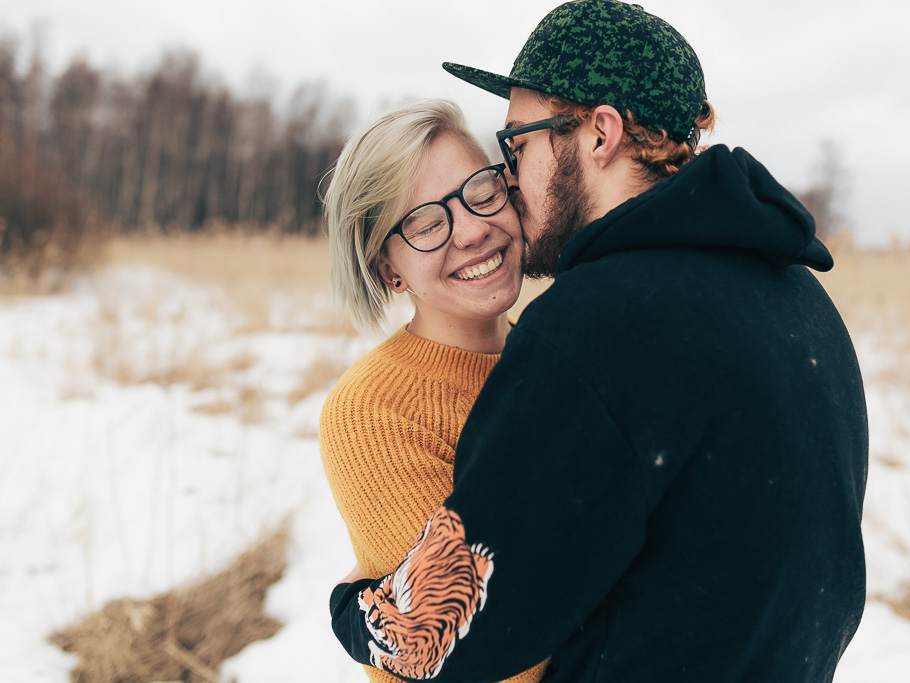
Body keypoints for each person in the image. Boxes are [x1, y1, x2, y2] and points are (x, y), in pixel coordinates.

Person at [329, 2, 869, 682]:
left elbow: (454, 633)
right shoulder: (798, 294)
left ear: (601, 133)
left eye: (516, 147)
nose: (511, 181)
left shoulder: (597, 324)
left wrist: (352, 609)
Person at [318, 99, 548, 683]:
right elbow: (491, 652)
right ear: (386, 269)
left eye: (481, 192)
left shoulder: (554, 360)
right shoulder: (374, 411)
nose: (472, 230)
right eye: (424, 224)